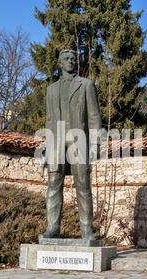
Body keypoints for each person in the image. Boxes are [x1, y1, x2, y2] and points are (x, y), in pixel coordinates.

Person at [43, 49, 103, 240]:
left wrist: (95, 143)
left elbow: (94, 117)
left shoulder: (86, 85)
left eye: (73, 59)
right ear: (59, 63)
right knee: (53, 185)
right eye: (66, 59)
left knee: (83, 186)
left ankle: (86, 229)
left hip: (80, 141)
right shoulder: (51, 89)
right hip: (56, 142)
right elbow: (49, 120)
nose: (70, 61)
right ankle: (53, 228)